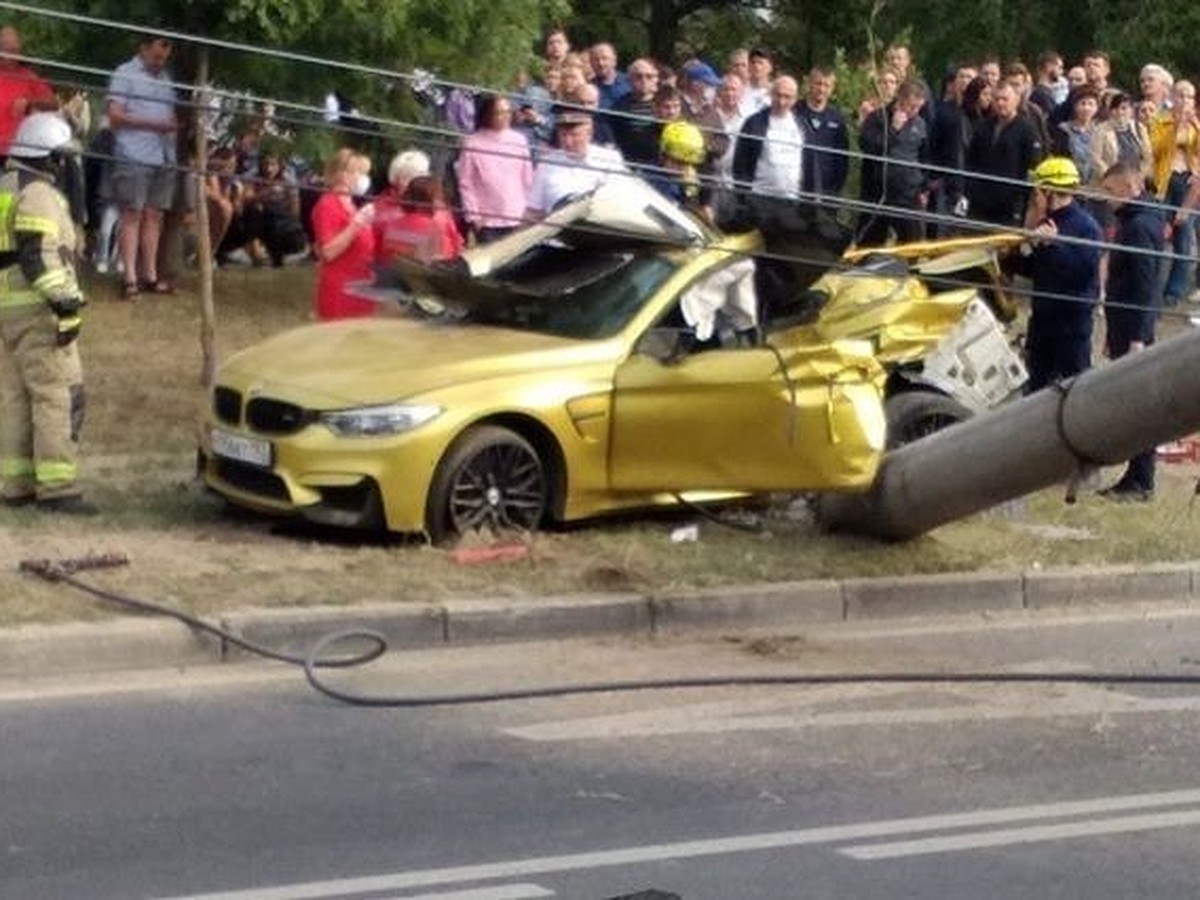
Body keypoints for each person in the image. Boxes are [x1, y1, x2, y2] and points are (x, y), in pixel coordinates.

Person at [0, 113, 91, 513]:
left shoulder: (5, 185)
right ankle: (58, 490)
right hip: (37, 311)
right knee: (58, 394)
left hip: (7, 310)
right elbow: (38, 254)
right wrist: (65, 304)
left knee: (16, 398)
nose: (66, 165)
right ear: (48, 156)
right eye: (62, 157)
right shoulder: (37, 193)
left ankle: (16, 485)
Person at [1096, 161, 1166, 502]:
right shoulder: (1137, 219)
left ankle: (1141, 479)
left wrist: (1137, 337)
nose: (1106, 199)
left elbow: (1142, 285)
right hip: (1124, 323)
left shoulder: (1139, 226)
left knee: (1138, 406)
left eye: (1110, 192)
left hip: (1135, 326)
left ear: (1130, 188)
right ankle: (1136, 475)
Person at [1009, 157, 1103, 393]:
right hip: (1043, 320)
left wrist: (1054, 245)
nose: (1034, 197)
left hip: (1071, 325)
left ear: (1050, 191)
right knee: (1036, 387)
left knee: (1076, 388)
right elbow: (1039, 268)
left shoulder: (1085, 227)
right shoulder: (1047, 222)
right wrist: (1010, 258)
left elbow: (1082, 273)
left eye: (1038, 191)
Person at [106, 35, 177, 299]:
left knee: (154, 216)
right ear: (144, 48)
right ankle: (129, 279)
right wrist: (155, 125)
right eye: (157, 54)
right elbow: (115, 115)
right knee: (131, 215)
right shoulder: (125, 74)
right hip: (133, 154)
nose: (161, 60)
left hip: (162, 156)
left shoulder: (167, 80)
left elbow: (170, 117)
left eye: (165, 56)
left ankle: (150, 276)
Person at [857, 80, 929, 246]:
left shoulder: (920, 123)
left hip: (908, 194)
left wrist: (924, 187)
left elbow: (924, 156)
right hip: (877, 193)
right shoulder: (877, 118)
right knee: (868, 245)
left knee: (913, 245)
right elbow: (867, 146)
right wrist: (893, 130)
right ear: (899, 99)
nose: (915, 111)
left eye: (919, 107)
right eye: (911, 106)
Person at [455, 93, 533, 243]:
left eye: (507, 112)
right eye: (499, 113)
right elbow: (466, 182)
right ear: (487, 115)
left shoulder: (519, 140)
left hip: (517, 213)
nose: (505, 117)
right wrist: (473, 216)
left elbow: (527, 177)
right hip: (488, 219)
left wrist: (529, 209)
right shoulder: (472, 143)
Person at [1148, 80, 1200, 306]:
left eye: (1189, 97)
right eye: (1180, 95)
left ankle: (1175, 290)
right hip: (1163, 180)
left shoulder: (1197, 124)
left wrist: (1196, 172)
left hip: (1186, 180)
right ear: (1172, 96)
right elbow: (1154, 149)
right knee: (1158, 231)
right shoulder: (1160, 120)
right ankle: (1153, 286)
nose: (1185, 101)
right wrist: (1176, 127)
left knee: (1184, 235)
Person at [964, 81, 1044, 227]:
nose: (1000, 103)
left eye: (1005, 99)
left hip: (1009, 205)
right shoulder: (983, 127)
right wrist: (970, 188)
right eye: (997, 99)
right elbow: (971, 159)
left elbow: (1033, 166)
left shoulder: (1027, 130)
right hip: (979, 202)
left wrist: (1025, 198)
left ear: (1016, 100)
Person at [310, 148, 377, 320]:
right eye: (360, 173)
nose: (363, 179)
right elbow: (328, 252)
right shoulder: (328, 204)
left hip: (360, 287)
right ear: (343, 175)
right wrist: (357, 224)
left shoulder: (350, 204)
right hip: (341, 291)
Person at [525, 110, 628, 218]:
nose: (568, 141)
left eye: (574, 135)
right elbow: (534, 209)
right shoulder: (547, 163)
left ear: (589, 133)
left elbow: (620, 200)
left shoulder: (609, 159)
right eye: (563, 135)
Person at [0, 26, 58, 159]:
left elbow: (54, 103)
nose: (13, 57)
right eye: (8, 51)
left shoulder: (27, 76)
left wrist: (30, 102)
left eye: (16, 51)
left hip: (16, 153)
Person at [242, 152, 308, 267]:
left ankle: (279, 253)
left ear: (279, 165)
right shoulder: (252, 176)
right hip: (260, 220)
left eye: (273, 164)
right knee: (255, 208)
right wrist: (263, 194)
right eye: (265, 164)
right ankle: (256, 253)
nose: (269, 169)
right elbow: (245, 199)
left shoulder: (288, 179)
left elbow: (295, 210)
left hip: (281, 221)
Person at [797, 66, 849, 197]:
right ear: (810, 84)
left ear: (832, 88)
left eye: (827, 85)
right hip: (796, 188)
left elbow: (842, 160)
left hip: (827, 192)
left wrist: (835, 190)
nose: (822, 89)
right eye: (818, 83)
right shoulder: (794, 111)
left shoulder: (837, 119)